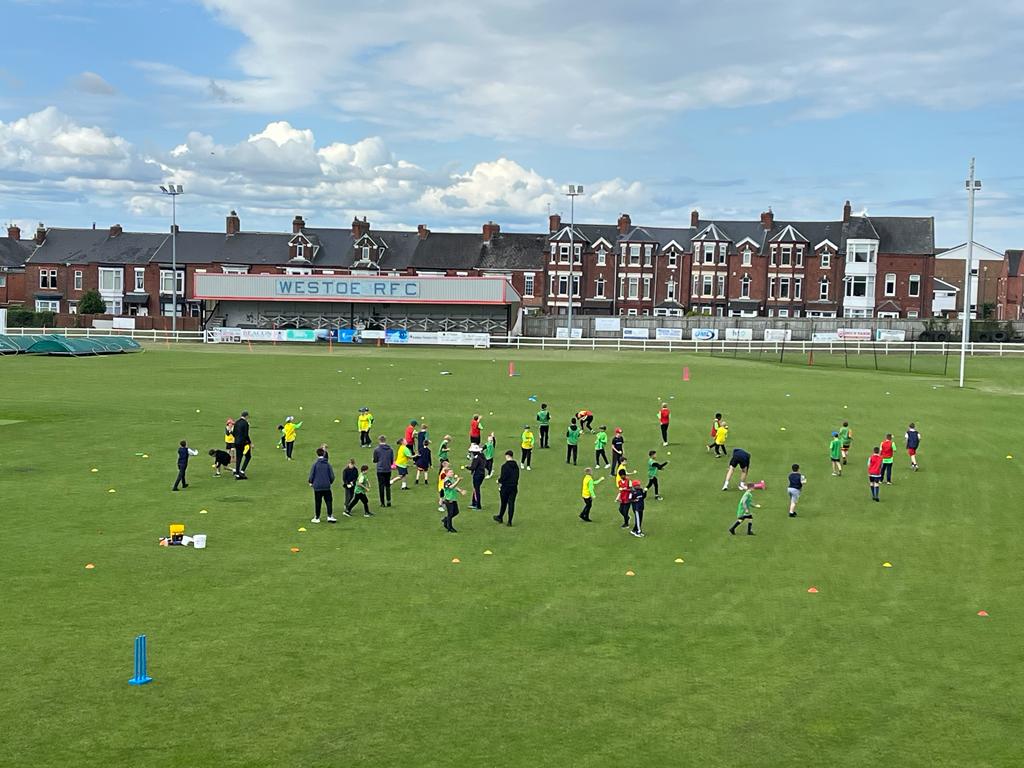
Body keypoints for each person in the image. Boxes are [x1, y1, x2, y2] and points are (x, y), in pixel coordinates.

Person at [308, 447, 336, 523]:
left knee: (318, 502)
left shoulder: (315, 465)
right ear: (324, 454)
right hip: (326, 486)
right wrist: (329, 482)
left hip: (317, 487)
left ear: (317, 454)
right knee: (329, 501)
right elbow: (332, 476)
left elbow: (311, 475)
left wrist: (311, 482)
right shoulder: (328, 464)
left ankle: (317, 517)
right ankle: (329, 516)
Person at [494, 450, 520, 526]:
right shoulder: (516, 466)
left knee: (503, 503)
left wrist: (498, 481)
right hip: (514, 487)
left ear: (507, 456)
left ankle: (500, 517)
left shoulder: (504, 466)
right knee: (511, 503)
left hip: (505, 487)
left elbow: (503, 477)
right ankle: (509, 521)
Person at [372, 435, 394, 507]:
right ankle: (389, 501)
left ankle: (382, 503)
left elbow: (375, 460)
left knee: (381, 486)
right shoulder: (390, 449)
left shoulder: (377, 450)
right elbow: (391, 460)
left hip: (380, 470)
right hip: (388, 469)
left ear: (379, 440)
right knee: (387, 486)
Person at [466, 444, 486, 509]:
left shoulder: (476, 458)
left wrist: (467, 467)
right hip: (482, 474)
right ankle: (474, 502)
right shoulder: (482, 457)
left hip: (477, 475)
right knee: (476, 488)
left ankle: (478, 505)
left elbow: (473, 467)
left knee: (476, 489)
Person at [232, 411, 252, 479]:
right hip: (243, 443)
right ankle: (242, 471)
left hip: (236, 443)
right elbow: (246, 435)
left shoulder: (236, 422)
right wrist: (250, 442)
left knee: (238, 458)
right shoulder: (245, 423)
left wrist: (237, 438)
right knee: (248, 456)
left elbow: (233, 433)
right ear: (246, 416)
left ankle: (237, 474)